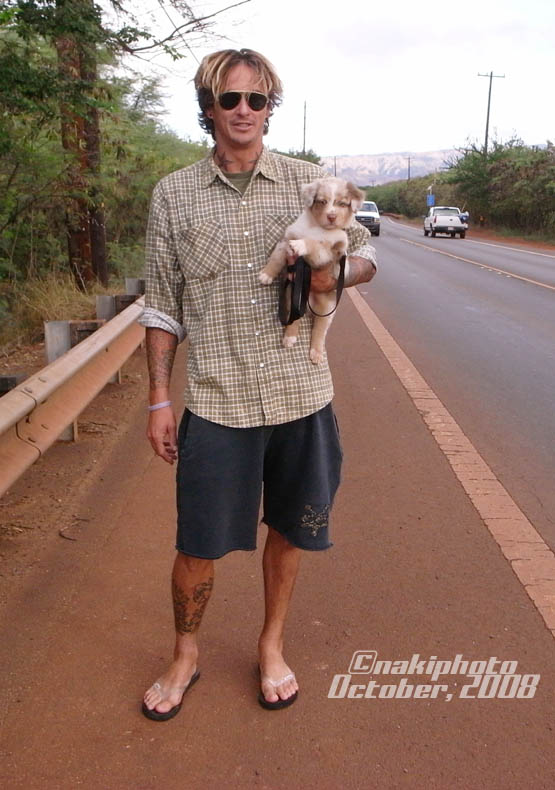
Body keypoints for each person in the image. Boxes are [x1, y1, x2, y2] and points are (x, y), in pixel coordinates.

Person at [138, 48, 377, 720]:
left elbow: (366, 253)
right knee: (197, 542)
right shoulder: (173, 194)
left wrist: (336, 273)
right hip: (218, 399)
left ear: (270, 106)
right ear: (208, 107)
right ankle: (185, 654)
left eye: (256, 99)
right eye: (229, 98)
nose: (243, 111)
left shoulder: (307, 182)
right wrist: (159, 398)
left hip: (301, 393)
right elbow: (162, 305)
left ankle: (271, 644)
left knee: (291, 530)